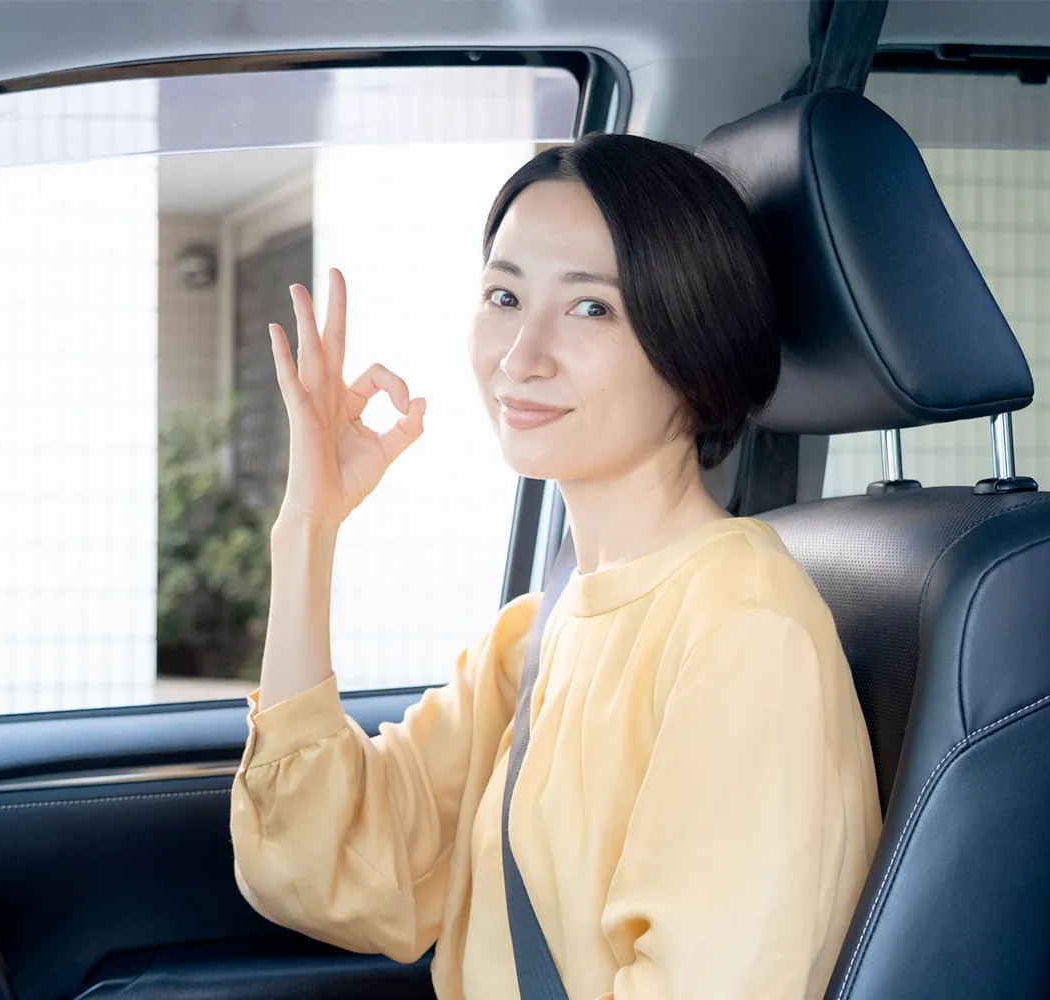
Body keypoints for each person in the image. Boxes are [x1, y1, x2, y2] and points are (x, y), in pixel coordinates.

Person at [228, 133, 880, 1000]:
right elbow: (325, 866)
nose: (519, 355)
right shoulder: (543, 628)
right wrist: (307, 525)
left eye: (590, 309)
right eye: (504, 295)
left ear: (697, 340)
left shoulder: (743, 626)